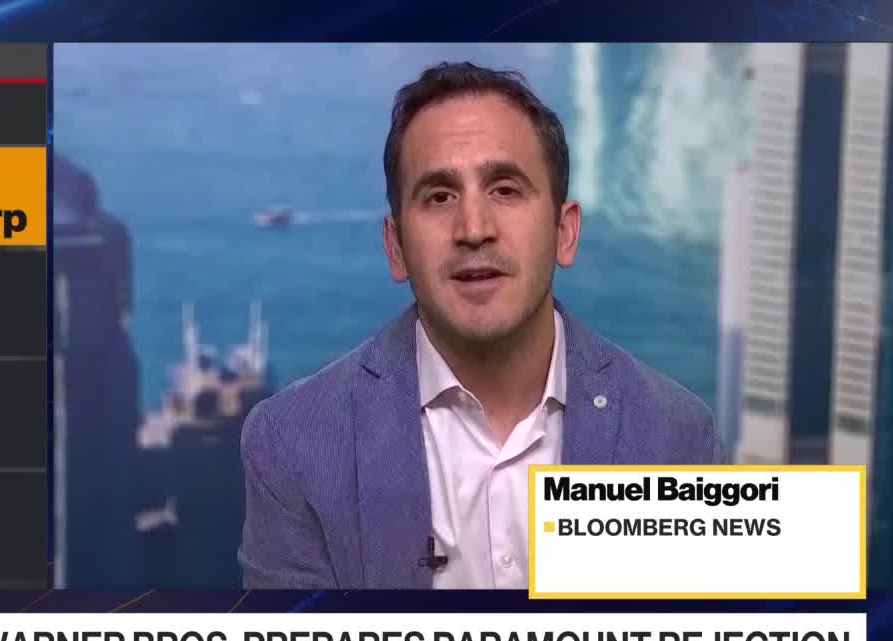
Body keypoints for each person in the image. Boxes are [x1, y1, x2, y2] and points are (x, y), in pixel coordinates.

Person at [238, 62, 724, 590]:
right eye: (439, 197)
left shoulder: (676, 436)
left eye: (505, 190)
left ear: (564, 233)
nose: (473, 229)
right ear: (396, 248)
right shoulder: (292, 445)